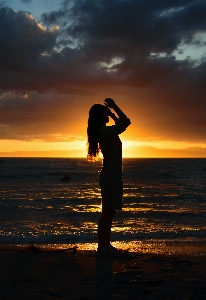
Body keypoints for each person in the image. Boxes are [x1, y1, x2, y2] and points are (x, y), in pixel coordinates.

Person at [87, 98, 131, 253]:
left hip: (111, 175)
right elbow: (125, 122)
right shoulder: (104, 131)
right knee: (107, 212)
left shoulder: (105, 131)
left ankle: (105, 245)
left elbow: (123, 124)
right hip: (110, 177)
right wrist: (115, 108)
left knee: (109, 212)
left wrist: (111, 112)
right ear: (101, 115)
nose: (108, 114)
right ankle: (103, 246)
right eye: (106, 112)